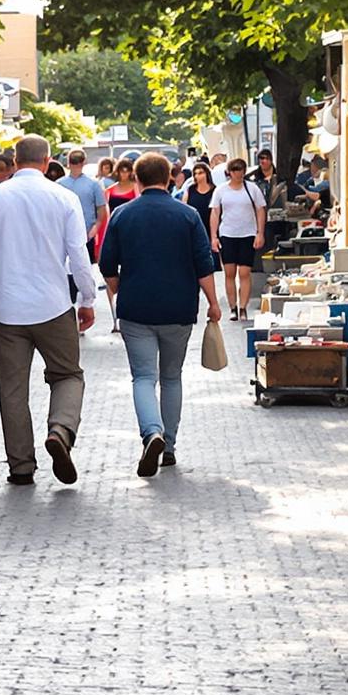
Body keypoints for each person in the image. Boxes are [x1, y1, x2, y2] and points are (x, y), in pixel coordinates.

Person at [0, 135, 99, 486]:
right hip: (54, 305)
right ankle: (60, 430)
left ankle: (21, 466)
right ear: (47, 160)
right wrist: (87, 299)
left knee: (11, 389)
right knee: (68, 375)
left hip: (7, 310)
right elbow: (78, 256)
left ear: (13, 160)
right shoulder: (64, 198)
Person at [99, 151, 223, 476]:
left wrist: (117, 290)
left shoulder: (122, 215)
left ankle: (150, 432)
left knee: (142, 376)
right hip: (179, 308)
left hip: (136, 308)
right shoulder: (187, 215)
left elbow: (107, 263)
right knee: (171, 377)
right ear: (170, 178)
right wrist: (213, 302)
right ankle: (168, 445)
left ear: (136, 179)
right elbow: (204, 263)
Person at [211, 157, 264, 318]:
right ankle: (232, 307)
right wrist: (214, 236)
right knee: (229, 272)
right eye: (234, 170)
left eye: (240, 169)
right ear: (229, 172)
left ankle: (243, 307)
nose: (238, 173)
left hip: (247, 233)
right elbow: (215, 212)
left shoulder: (252, 188)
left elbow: (260, 209)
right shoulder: (221, 190)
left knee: (244, 273)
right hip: (228, 234)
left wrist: (260, 232)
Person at [58, 149, 108, 245]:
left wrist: (95, 228)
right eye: (74, 161)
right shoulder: (59, 184)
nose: (76, 165)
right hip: (65, 234)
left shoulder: (94, 184)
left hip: (87, 233)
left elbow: (101, 208)